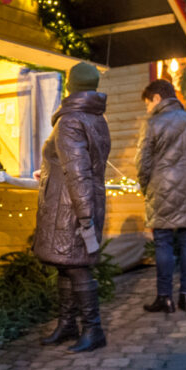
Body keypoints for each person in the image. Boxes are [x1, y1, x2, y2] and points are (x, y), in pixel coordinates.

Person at [35, 61, 111, 352]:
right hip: (77, 199)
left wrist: (84, 216)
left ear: (70, 86)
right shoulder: (95, 117)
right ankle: (67, 324)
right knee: (66, 265)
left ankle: (93, 329)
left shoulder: (70, 120)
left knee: (77, 267)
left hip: (71, 206)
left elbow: (78, 171)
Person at [135, 79, 186, 314]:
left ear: (157, 98)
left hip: (162, 187)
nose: (148, 109)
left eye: (148, 103)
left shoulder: (153, 123)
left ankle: (165, 297)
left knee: (163, 241)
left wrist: (146, 187)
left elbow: (143, 162)